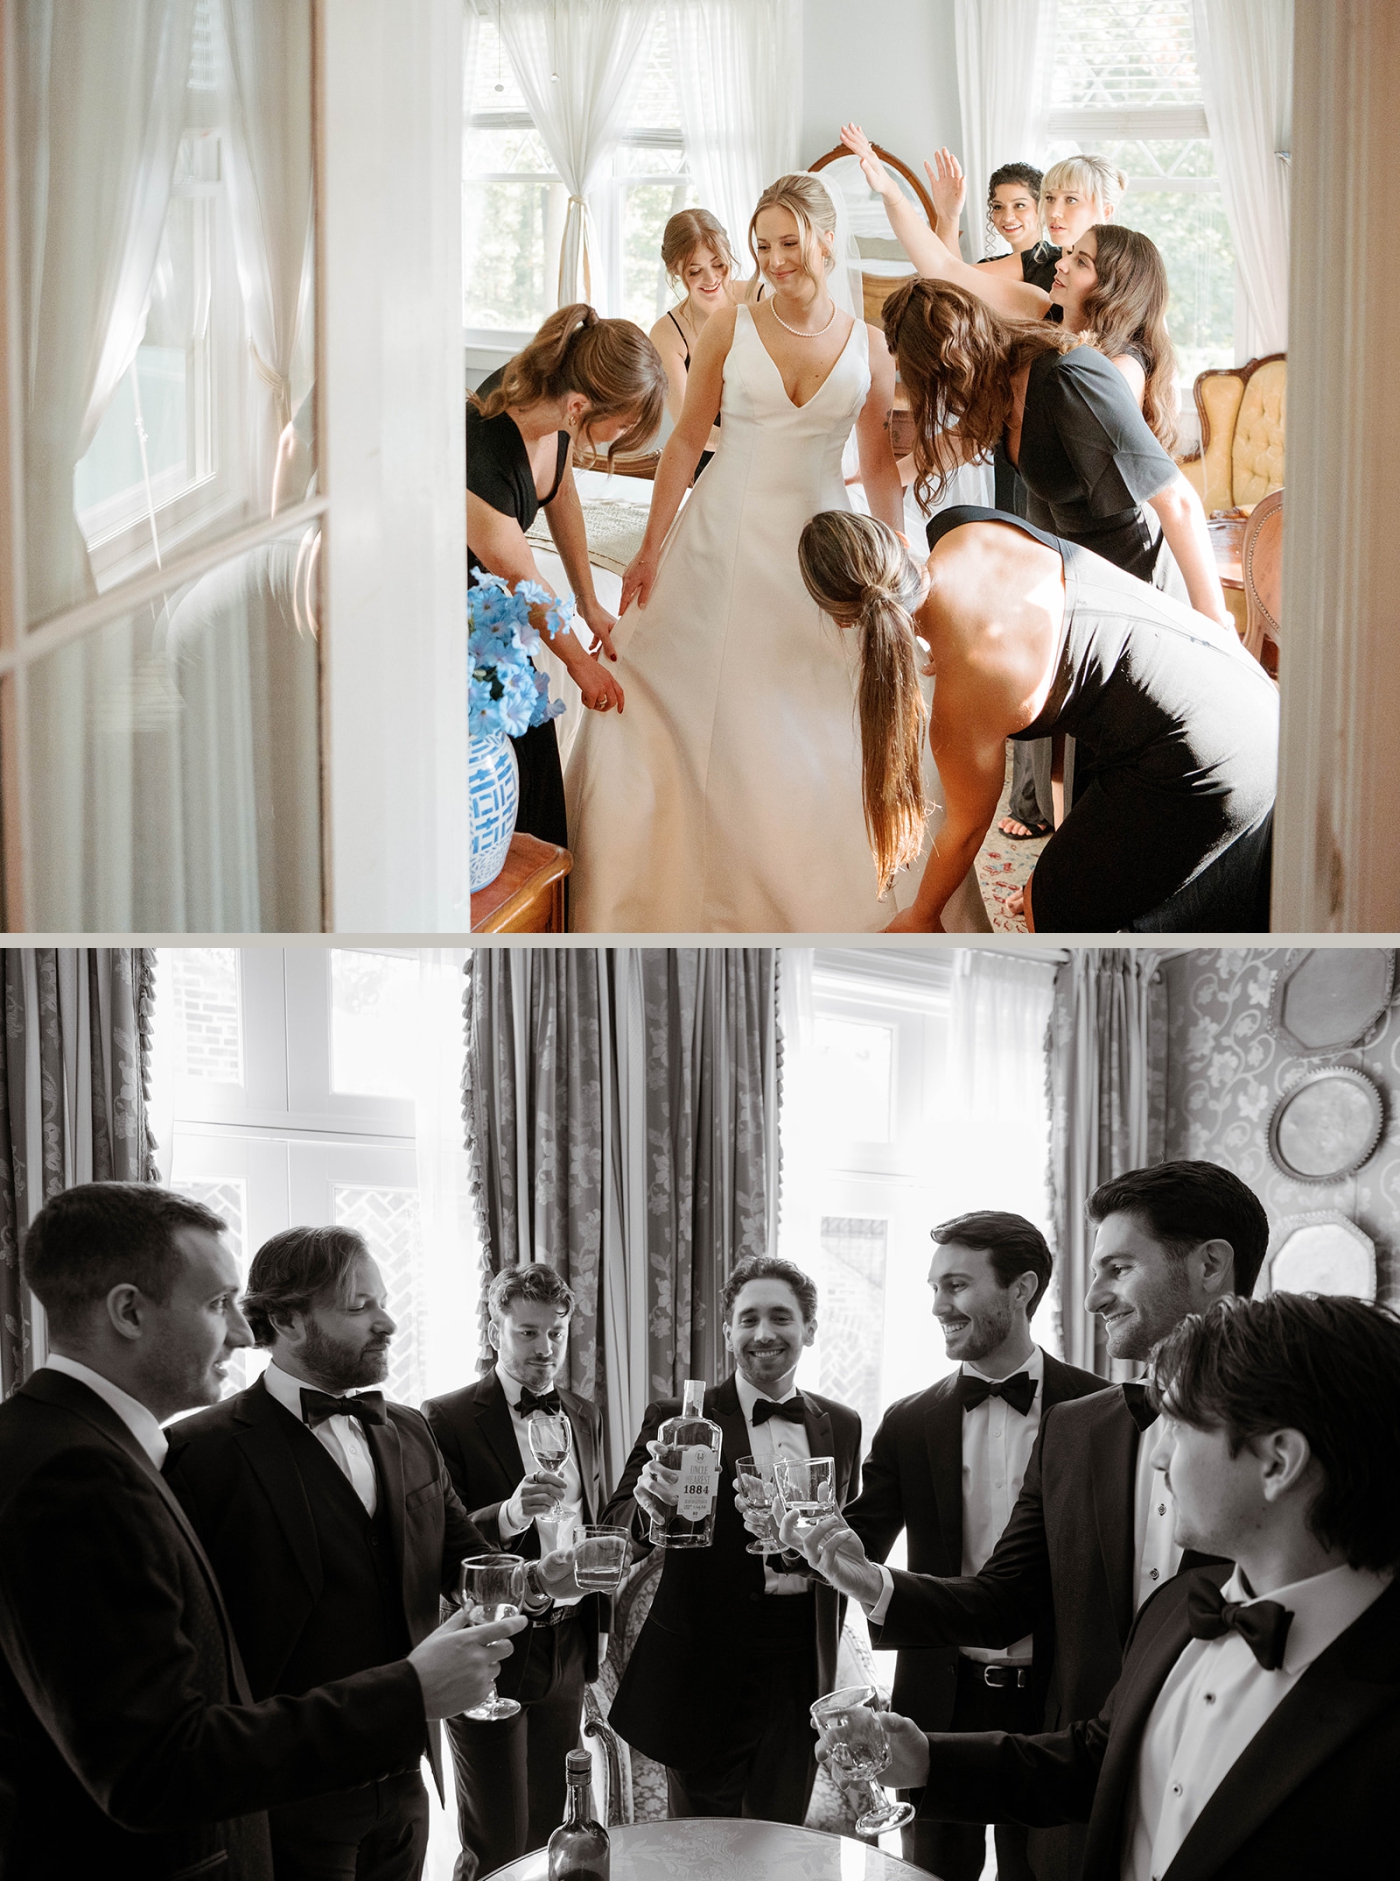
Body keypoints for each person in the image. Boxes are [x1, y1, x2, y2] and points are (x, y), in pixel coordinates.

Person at [0, 1183, 524, 1881]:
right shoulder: (78, 1472)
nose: (245, 1332)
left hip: (394, 1789)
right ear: (128, 1309)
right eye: (218, 1303)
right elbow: (154, 1762)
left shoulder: (66, 1443)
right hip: (242, 1825)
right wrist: (407, 1690)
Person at [787, 1162, 1269, 1881]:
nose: (1094, 1293)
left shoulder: (1297, 1430)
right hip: (1065, 1791)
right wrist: (865, 1576)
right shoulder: (1081, 1428)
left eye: (1118, 1266)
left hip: (1235, 1798)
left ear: (1209, 1264)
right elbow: (1003, 1597)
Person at [825, 1293, 1400, 1881]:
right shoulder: (1179, 1606)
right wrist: (927, 1760)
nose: (1159, 1460)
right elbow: (1099, 1761)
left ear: (1278, 1462)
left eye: (1179, 1426)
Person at [565, 171, 946, 935]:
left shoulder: (868, 346)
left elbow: (876, 461)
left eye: (789, 242)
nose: (773, 260)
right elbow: (681, 441)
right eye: (762, 245)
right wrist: (648, 548)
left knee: (815, 710)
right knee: (691, 699)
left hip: (822, 543)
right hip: (724, 534)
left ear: (827, 239)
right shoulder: (728, 328)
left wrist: (900, 553)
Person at [162, 1225, 575, 1881]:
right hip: (285, 1794)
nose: (388, 1320)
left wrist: (536, 1578)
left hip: (405, 1785)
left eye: (383, 1302)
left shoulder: (408, 1429)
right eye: (361, 1306)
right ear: (289, 1318)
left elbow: (463, 1560)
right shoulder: (198, 1452)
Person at [796, 505, 1277, 932]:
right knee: (1050, 889)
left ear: (845, 620)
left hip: (1213, 756)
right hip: (1241, 682)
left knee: (1056, 912)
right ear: (900, 542)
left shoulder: (962, 701)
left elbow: (964, 832)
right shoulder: (964, 527)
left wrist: (921, 914)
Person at [838, 1214, 1103, 1880]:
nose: (937, 1305)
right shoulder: (909, 1420)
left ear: (1022, 1288)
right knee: (930, 1873)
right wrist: (799, 1536)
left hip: (1057, 1697)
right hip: (941, 1694)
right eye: (933, 1287)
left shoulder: (1102, 1410)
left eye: (956, 1284)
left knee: (1045, 1870)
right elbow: (856, 1540)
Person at [602, 1254, 862, 1822]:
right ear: (728, 1332)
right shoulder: (678, 1417)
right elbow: (620, 1519)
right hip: (703, 1664)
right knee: (701, 1849)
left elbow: (849, 1536)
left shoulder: (841, 1424)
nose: (763, 1334)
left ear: (809, 1329)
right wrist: (651, 1503)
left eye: (780, 1318)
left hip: (802, 1668)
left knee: (781, 1836)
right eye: (747, 1319)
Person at [422, 1265, 608, 1881]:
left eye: (555, 1333)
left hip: (569, 1639)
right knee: (495, 1837)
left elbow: (586, 1516)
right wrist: (506, 1513)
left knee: (547, 1831)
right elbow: (436, 1543)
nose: (545, 1348)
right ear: (495, 1328)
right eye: (528, 1333)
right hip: (491, 1642)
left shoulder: (581, 1412)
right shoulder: (444, 1417)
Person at [467, 304, 667, 847]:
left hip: (495, 610)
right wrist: (581, 665)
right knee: (515, 770)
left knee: (535, 775)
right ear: (580, 406)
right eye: (623, 423)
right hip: (461, 617)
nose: (622, 433)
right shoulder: (482, 451)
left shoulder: (553, 402)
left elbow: (561, 493)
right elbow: (524, 579)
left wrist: (589, 602)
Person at [649, 208, 761, 480]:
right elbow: (689, 428)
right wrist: (759, 442)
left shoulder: (761, 298)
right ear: (675, 270)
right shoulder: (667, 334)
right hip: (714, 466)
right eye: (695, 271)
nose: (711, 279)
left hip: (776, 456)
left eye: (719, 264)